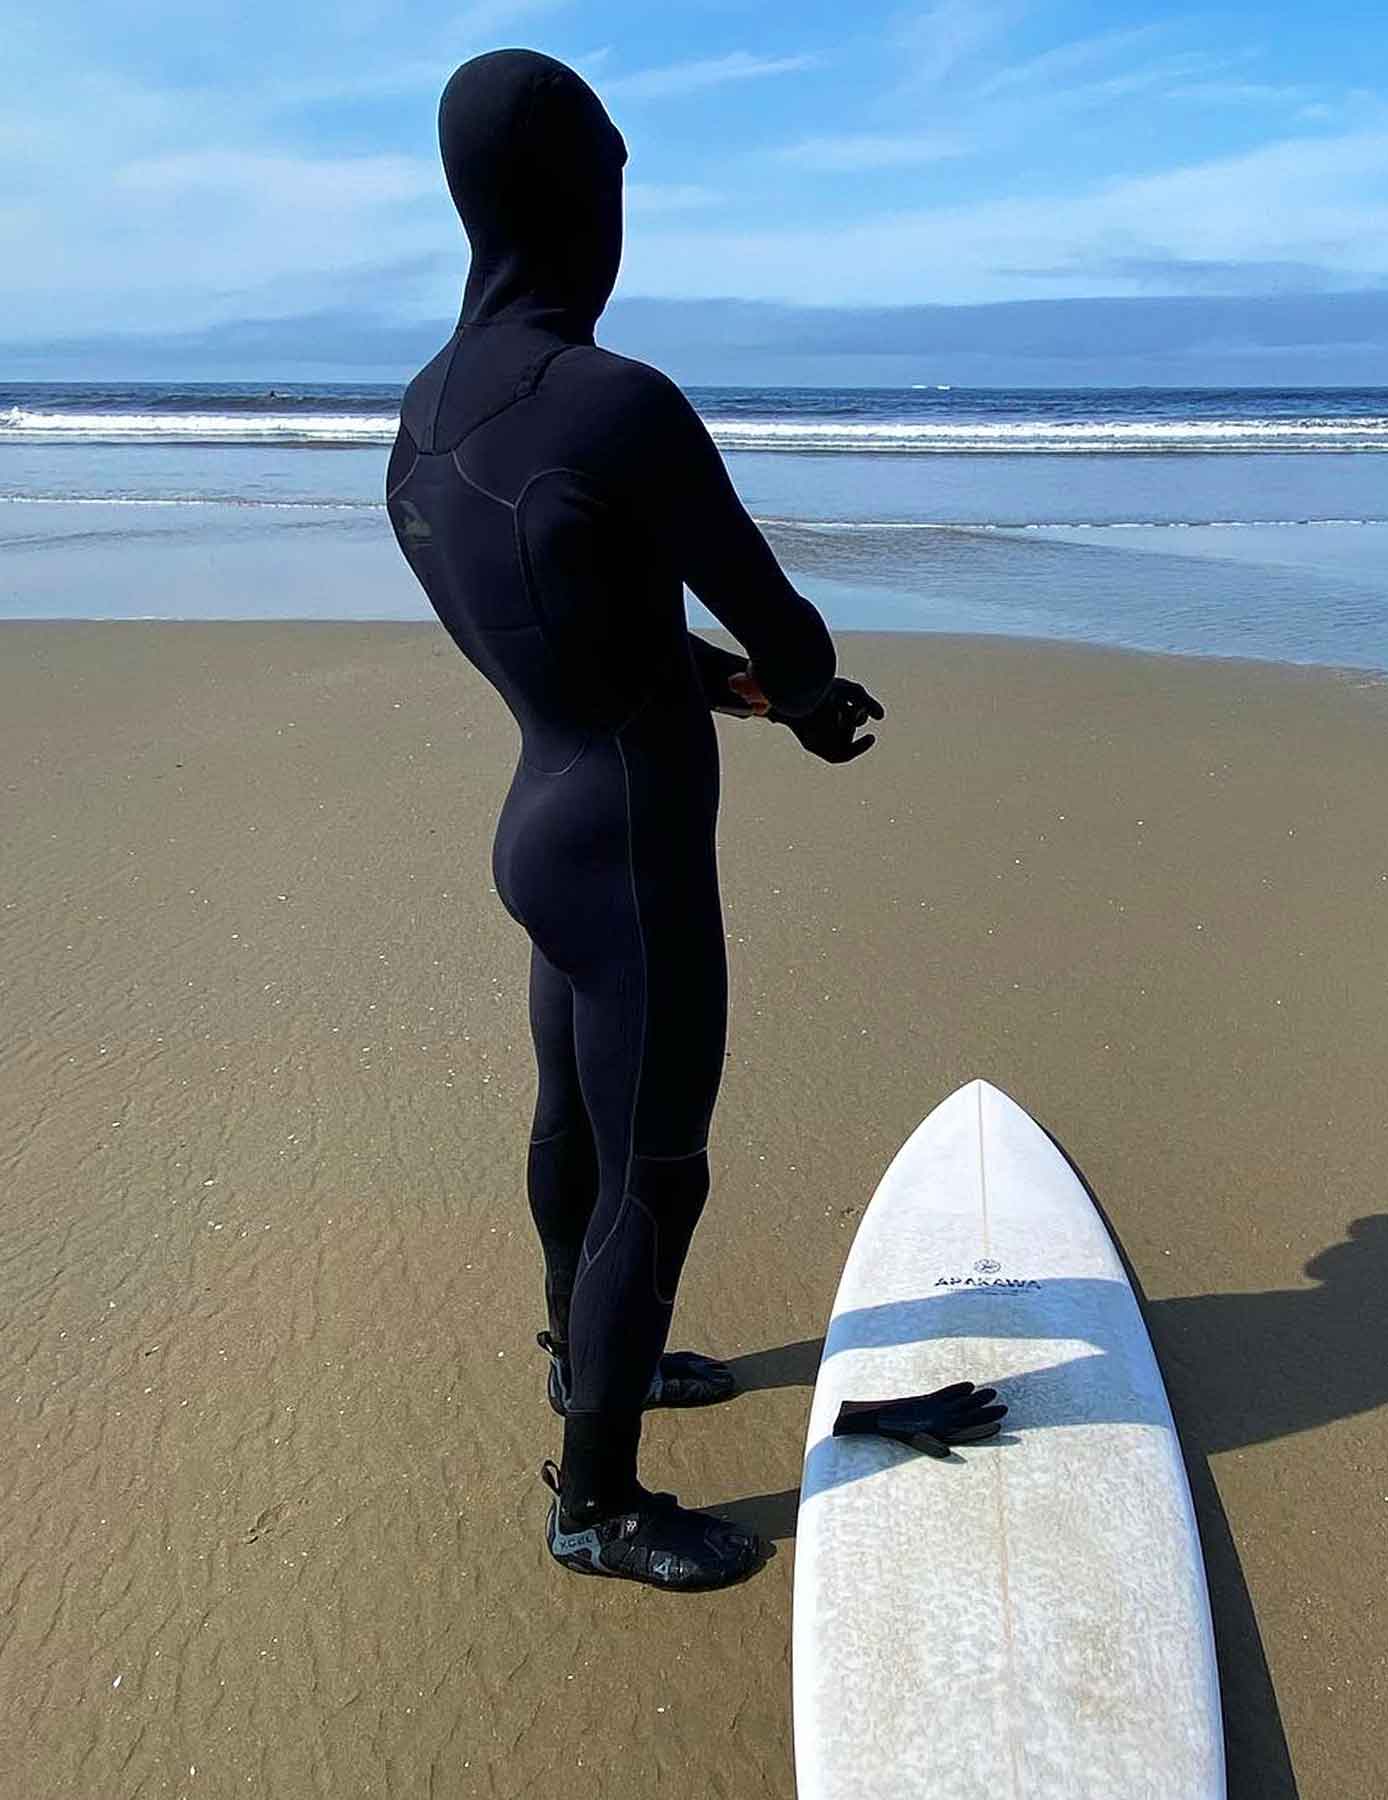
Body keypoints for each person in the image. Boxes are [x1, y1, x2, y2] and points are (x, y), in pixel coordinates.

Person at [385, 47, 884, 1592]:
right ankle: (593, 1501)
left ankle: (582, 1363)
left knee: (571, 1129)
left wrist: (704, 681)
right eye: (614, 163)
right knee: (656, 1166)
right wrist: (806, 700)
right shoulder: (617, 405)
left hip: (543, 816)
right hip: (634, 849)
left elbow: (555, 612)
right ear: (575, 187)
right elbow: (780, 619)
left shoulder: (425, 413)